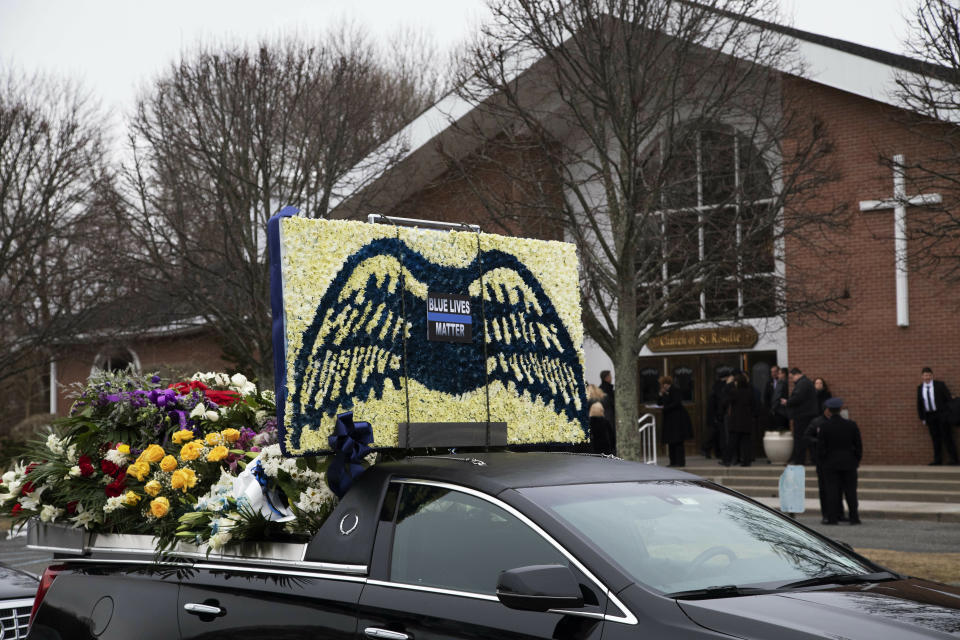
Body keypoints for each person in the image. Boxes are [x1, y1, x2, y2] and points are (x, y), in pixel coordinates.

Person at [817, 397, 862, 525]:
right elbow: (858, 445)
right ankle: (854, 517)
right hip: (849, 462)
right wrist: (856, 460)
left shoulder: (824, 426)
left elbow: (820, 448)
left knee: (832, 491)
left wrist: (823, 461)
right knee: (851, 491)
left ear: (829, 411)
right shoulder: (851, 425)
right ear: (841, 409)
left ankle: (832, 518)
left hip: (830, 464)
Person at [916, 367, 959, 466]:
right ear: (922, 376)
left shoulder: (940, 385)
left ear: (932, 376)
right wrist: (922, 417)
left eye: (929, 375)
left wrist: (948, 414)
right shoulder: (920, 388)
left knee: (947, 437)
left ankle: (954, 459)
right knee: (935, 439)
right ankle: (937, 460)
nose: (927, 377)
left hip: (942, 415)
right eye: (925, 375)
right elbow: (919, 403)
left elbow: (948, 399)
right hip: (930, 416)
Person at [782, 367, 819, 465]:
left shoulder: (802, 384)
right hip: (808, 415)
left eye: (792, 377)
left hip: (802, 416)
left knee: (800, 438)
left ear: (797, 375)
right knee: (808, 438)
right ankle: (813, 459)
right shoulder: (806, 383)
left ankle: (799, 460)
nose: (792, 379)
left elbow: (798, 398)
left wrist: (787, 402)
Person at [723, 372, 757, 467]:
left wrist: (727, 385)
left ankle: (727, 460)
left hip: (735, 421)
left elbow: (725, 402)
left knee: (732, 442)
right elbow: (754, 406)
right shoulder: (749, 392)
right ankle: (746, 461)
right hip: (746, 421)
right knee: (746, 442)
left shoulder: (734, 392)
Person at [658, 375, 692, 467]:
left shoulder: (675, 390)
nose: (663, 386)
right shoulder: (665, 392)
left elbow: (676, 403)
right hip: (669, 420)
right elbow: (660, 403)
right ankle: (672, 461)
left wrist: (665, 408)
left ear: (667, 384)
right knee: (670, 442)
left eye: (664, 384)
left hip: (677, 419)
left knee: (678, 441)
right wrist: (661, 395)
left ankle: (680, 462)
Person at [704, 370, 730, 459]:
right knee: (716, 434)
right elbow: (720, 401)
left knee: (715, 434)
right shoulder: (722, 386)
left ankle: (712, 451)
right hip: (717, 414)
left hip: (714, 414)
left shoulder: (716, 386)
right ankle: (707, 449)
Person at [764, 365, 789, 430]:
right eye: (771, 372)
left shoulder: (783, 382)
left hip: (781, 411)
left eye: (775, 372)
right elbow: (766, 397)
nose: (773, 374)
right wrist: (769, 410)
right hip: (772, 412)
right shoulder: (769, 383)